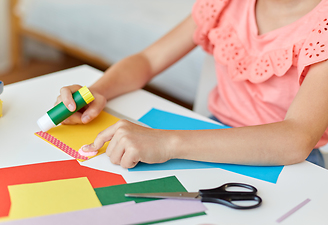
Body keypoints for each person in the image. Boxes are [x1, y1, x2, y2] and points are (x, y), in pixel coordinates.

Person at [55, 0, 328, 169]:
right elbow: (148, 60)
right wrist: (97, 91)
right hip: (210, 132)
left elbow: (295, 139)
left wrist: (167, 143)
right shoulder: (226, 3)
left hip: (291, 163)